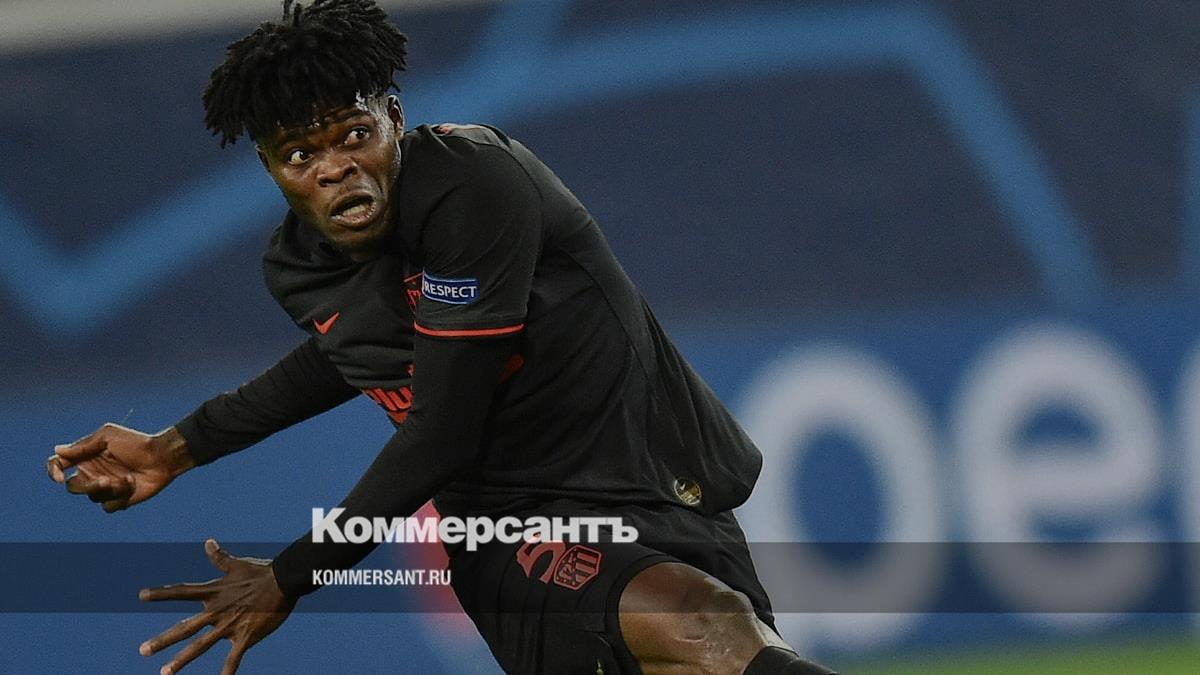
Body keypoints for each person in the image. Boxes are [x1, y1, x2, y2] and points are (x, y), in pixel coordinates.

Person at [46, 1, 837, 673]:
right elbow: (353, 359)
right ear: (270, 167)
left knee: (730, 637)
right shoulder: (298, 269)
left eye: (353, 134)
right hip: (514, 529)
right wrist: (178, 447)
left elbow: (441, 425)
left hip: (661, 488)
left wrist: (290, 574)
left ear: (395, 118)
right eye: (299, 154)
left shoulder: (472, 185)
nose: (334, 168)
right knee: (706, 625)